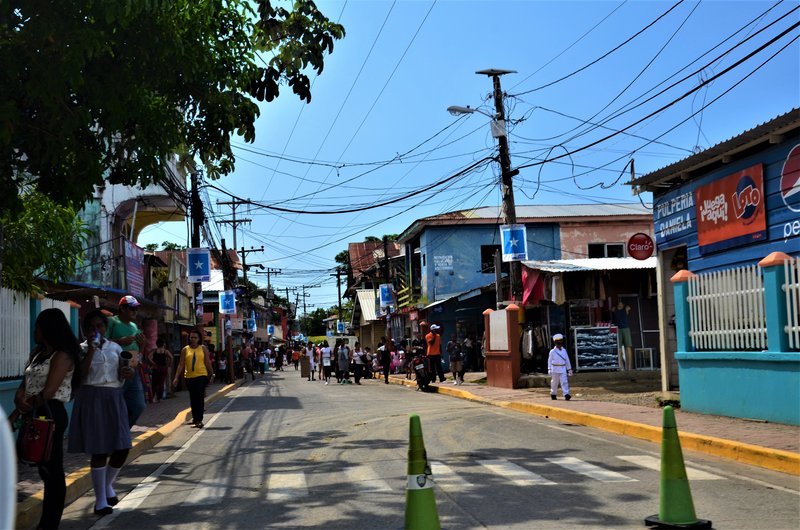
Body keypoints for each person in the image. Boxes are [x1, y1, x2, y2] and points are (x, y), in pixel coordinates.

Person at [14, 308, 81, 530]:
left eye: (38, 328)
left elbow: (49, 391)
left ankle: (49, 524)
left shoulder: (62, 355)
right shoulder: (38, 353)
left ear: (48, 329)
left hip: (49, 413)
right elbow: (28, 382)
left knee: (51, 471)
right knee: (38, 466)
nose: (35, 331)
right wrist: (18, 397)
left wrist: (20, 410)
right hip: (33, 411)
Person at [68, 309, 133, 517]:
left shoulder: (115, 348)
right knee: (99, 450)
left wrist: (127, 373)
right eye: (91, 327)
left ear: (106, 328)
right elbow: (81, 375)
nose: (96, 330)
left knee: (122, 447)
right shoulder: (80, 350)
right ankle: (100, 502)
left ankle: (106, 486)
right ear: (85, 330)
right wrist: (92, 350)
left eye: (100, 326)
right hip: (91, 398)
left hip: (114, 397)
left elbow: (123, 374)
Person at [106, 295, 147, 427]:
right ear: (122, 309)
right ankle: (115, 434)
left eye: (136, 309)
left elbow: (138, 350)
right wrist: (120, 341)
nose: (135, 312)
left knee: (138, 405)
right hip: (117, 370)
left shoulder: (134, 326)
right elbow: (101, 342)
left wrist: (142, 345)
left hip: (133, 370)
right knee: (114, 406)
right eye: (132, 309)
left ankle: (121, 432)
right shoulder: (112, 322)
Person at [173, 329, 215, 428]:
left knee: (199, 397)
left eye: (195, 337)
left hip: (201, 375)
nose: (193, 339)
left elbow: (207, 362)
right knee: (193, 398)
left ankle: (199, 419)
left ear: (199, 339)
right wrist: (176, 377)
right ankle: (195, 418)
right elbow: (181, 364)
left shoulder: (203, 348)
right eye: (191, 337)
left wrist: (212, 373)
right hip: (189, 377)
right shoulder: (185, 350)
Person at [548, 333, 572, 400]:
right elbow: (549, 361)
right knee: (554, 382)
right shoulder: (552, 351)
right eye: (558, 343)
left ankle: (566, 394)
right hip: (555, 369)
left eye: (560, 343)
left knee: (564, 381)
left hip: (562, 368)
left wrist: (569, 369)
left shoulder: (564, 351)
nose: (559, 345)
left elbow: (567, 360)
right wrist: (549, 368)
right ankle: (553, 393)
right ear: (555, 343)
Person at [613, 301, 633, 370]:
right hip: (618, 329)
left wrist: (627, 309)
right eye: (619, 303)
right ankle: (621, 367)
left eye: (621, 303)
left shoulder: (626, 308)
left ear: (623, 304)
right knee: (619, 349)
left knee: (628, 347)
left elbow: (629, 308)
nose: (620, 304)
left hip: (625, 329)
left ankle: (629, 367)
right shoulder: (614, 309)